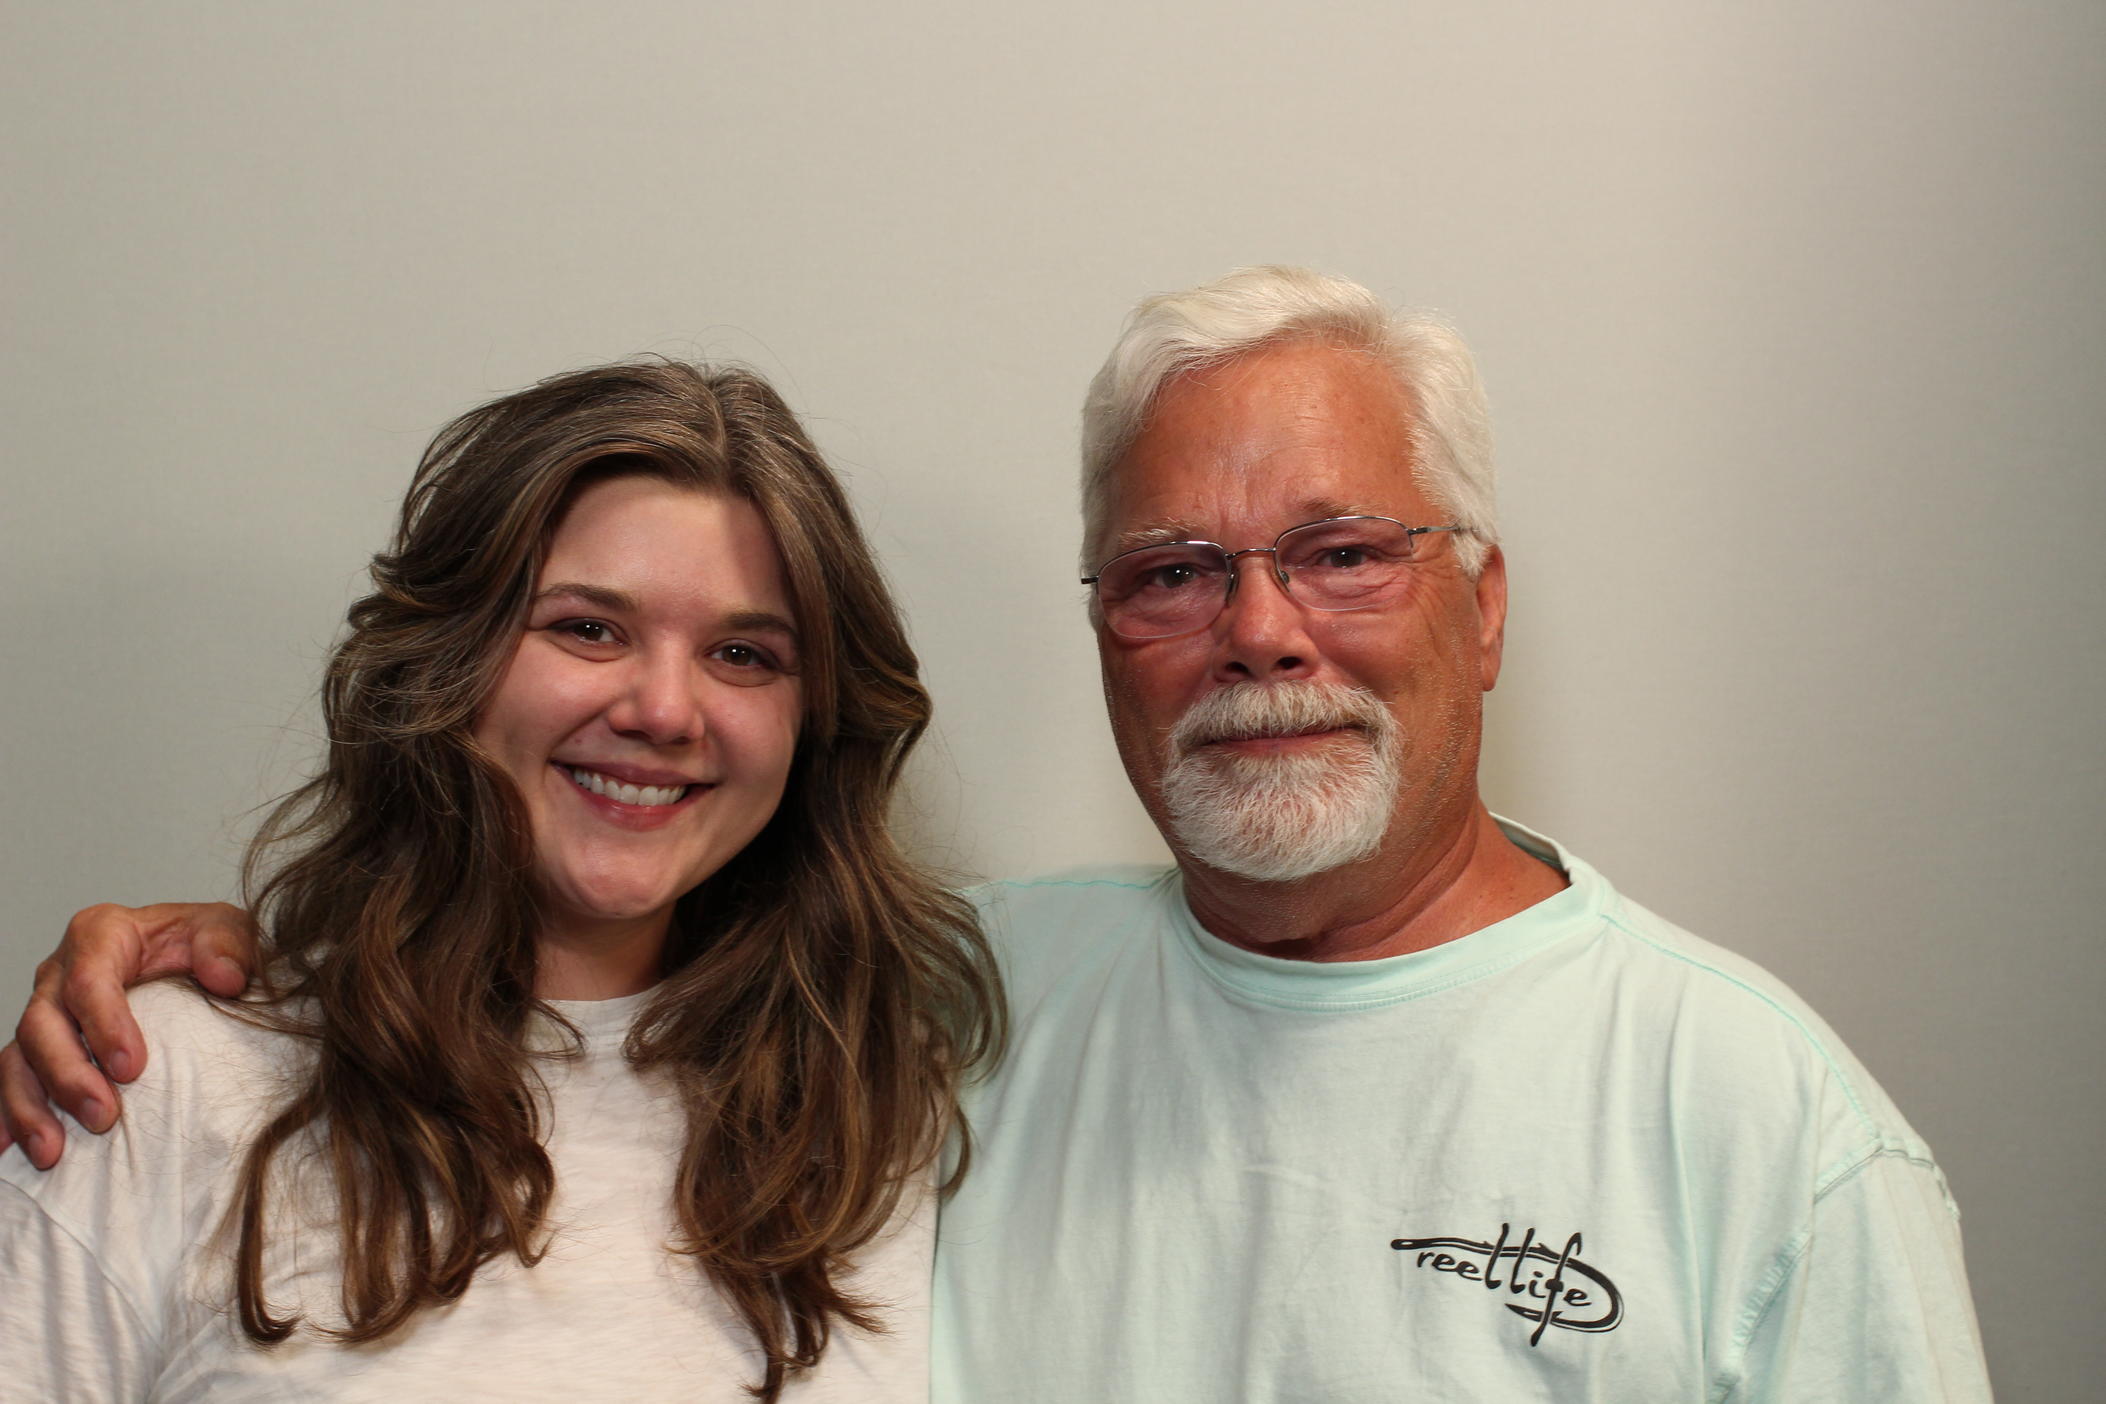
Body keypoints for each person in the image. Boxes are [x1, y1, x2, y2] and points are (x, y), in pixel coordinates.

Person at [4, 268, 1992, 1400]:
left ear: (1483, 602)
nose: (1262, 631)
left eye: (1344, 555)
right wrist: (228, 968)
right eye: (1175, 571)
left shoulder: (1763, 1125)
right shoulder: (958, 1012)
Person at [0, 360, 1003, 1400]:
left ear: (811, 724)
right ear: (449, 663)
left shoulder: (891, 1112)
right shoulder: (157, 1079)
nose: (665, 709)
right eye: (587, 628)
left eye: (743, 653)